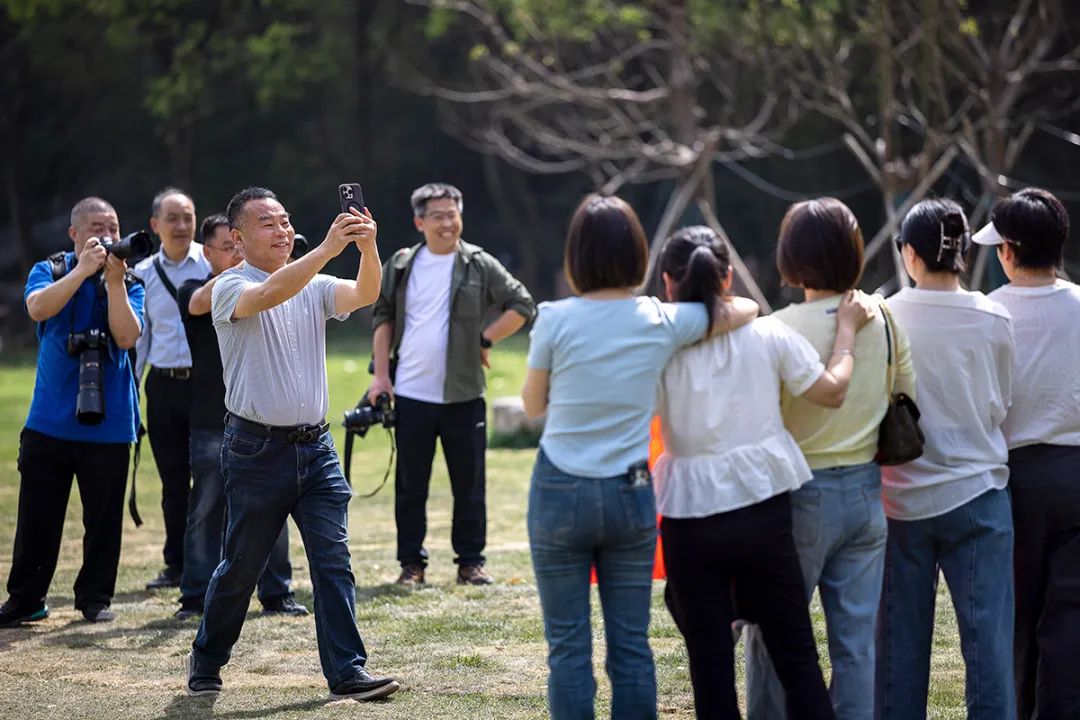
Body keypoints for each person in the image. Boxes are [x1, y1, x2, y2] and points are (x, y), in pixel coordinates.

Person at [520, 196, 757, 720]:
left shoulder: (554, 318)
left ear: (575, 256)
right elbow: (746, 308)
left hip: (559, 490)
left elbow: (533, 406)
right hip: (629, 495)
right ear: (638, 255)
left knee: (567, 649)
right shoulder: (660, 318)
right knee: (630, 646)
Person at [186, 187, 398, 701]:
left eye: (285, 220)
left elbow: (365, 295)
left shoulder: (314, 281)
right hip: (256, 451)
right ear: (236, 239)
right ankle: (208, 656)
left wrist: (368, 249)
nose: (281, 230)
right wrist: (325, 249)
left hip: (316, 448)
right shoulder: (228, 287)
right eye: (267, 223)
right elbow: (268, 296)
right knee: (241, 566)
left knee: (333, 560)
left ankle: (347, 671)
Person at [655, 225, 874, 719]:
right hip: (763, 508)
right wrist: (845, 332)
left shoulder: (656, 346)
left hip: (689, 515)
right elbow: (831, 391)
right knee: (797, 659)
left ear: (668, 283)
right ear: (728, 275)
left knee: (709, 668)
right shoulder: (769, 332)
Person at [744, 198, 914, 720]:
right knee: (856, 646)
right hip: (866, 494)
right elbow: (904, 395)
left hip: (797, 498)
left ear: (790, 256)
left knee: (772, 637)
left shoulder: (774, 328)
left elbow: (757, 421)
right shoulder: (884, 317)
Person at [876, 199, 1015, 720]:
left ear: (910, 253)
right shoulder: (995, 316)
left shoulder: (886, 316)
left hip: (901, 500)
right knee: (989, 655)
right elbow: (1001, 402)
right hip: (979, 495)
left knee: (897, 657)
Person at [369, 182, 535, 587]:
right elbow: (382, 315)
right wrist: (381, 376)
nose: (447, 222)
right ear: (419, 221)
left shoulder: (478, 263)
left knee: (470, 485)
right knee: (410, 487)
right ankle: (412, 565)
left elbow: (522, 305)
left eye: (453, 214)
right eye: (438, 215)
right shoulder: (403, 264)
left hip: (465, 394)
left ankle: (471, 563)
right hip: (410, 392)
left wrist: (486, 338)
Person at [0, 197, 143, 627]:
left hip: (112, 423)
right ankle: (26, 599)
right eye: (98, 227)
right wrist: (82, 271)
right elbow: (38, 308)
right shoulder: (51, 270)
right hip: (50, 420)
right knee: (37, 518)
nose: (109, 236)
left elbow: (126, 337)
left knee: (103, 521)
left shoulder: (129, 278)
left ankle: (95, 598)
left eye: (114, 227)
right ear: (74, 234)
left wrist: (114, 284)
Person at [977, 188, 1080, 720]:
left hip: (1012, 477)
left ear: (1010, 250)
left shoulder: (989, 313)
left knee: (1016, 615)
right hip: (1075, 472)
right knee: (1070, 616)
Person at [173, 213, 306, 620]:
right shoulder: (196, 288)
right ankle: (194, 594)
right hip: (213, 419)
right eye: (227, 246)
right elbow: (199, 304)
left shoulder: (270, 286)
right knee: (206, 509)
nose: (234, 253)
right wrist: (242, 265)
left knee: (273, 506)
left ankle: (277, 592)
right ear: (208, 252)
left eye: (238, 246)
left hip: (262, 421)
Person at [133, 187, 210, 590]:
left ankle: (211, 561)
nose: (181, 226)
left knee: (212, 477)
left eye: (188, 216)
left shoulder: (212, 265)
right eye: (172, 218)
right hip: (162, 387)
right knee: (173, 481)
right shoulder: (142, 274)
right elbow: (141, 341)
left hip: (207, 387)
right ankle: (176, 564)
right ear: (154, 225)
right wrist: (133, 396)